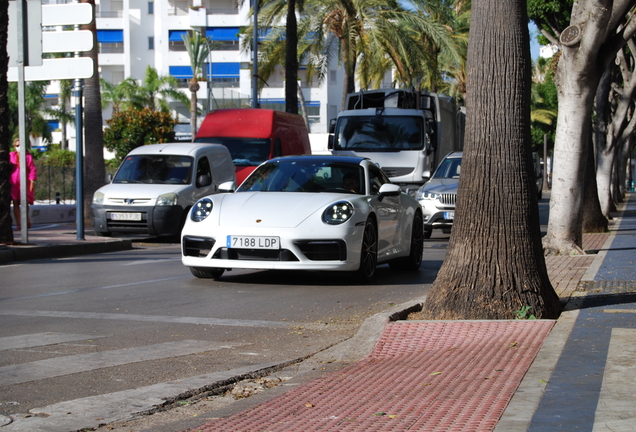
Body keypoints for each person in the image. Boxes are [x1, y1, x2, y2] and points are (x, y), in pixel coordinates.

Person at [10, 138, 37, 230]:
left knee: (25, 203)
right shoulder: (11, 155)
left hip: (25, 182)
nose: (19, 147)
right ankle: (19, 224)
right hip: (13, 182)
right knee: (16, 202)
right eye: (17, 145)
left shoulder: (28, 156)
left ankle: (26, 220)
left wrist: (32, 181)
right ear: (14, 146)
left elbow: (32, 169)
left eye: (20, 145)